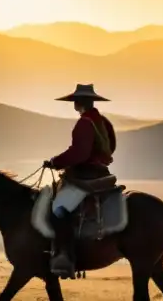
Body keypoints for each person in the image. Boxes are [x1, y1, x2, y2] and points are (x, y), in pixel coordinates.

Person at [43, 83, 116, 277]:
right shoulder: (103, 121)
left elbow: (79, 153)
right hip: (101, 172)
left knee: (59, 209)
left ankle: (65, 257)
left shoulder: (85, 122)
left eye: (75, 101)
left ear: (77, 103)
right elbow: (112, 146)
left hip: (86, 174)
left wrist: (55, 162)